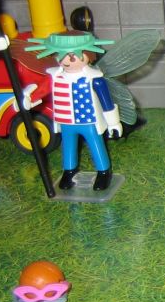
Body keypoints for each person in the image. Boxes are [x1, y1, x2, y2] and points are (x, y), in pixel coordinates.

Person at [26, 32, 122, 192]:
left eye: (72, 57)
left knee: (96, 145)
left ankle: (104, 172)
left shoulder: (94, 78)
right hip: (66, 121)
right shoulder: (55, 77)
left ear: (89, 55)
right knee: (68, 146)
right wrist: (28, 100)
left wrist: (113, 122)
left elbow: (106, 102)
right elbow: (41, 91)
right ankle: (69, 171)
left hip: (89, 121)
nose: (66, 61)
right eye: (61, 55)